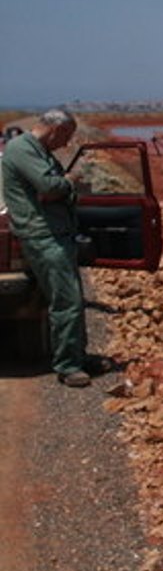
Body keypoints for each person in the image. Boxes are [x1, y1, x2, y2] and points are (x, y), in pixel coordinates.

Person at [1, 109, 91, 386]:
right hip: (43, 235)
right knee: (66, 301)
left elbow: (51, 188)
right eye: (66, 137)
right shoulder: (22, 149)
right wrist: (70, 181)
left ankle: (78, 356)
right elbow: (49, 186)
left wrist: (63, 186)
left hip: (54, 233)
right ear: (56, 129)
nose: (66, 144)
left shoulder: (37, 150)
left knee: (71, 298)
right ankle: (68, 366)